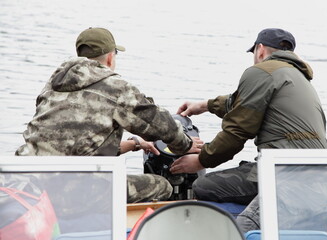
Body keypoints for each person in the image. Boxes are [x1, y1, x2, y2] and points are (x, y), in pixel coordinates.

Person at [15, 27, 203, 204]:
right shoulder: (115, 88)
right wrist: (185, 145)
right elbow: (162, 125)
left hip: (26, 183)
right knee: (162, 185)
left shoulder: (54, 85)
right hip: (70, 195)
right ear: (110, 58)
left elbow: (75, 145)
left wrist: (135, 144)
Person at [170, 28, 327, 233]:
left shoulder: (261, 71)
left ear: (260, 50)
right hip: (320, 182)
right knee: (216, 183)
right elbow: (242, 102)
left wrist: (201, 160)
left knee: (228, 211)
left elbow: (236, 132)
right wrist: (205, 105)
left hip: (289, 182)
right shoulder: (296, 78)